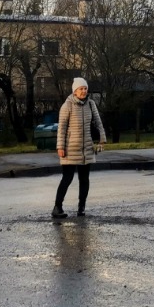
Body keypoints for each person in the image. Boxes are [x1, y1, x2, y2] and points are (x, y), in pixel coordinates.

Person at [53, 77, 107, 219]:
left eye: (85, 88)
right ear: (75, 91)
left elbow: (98, 122)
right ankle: (57, 207)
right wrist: (60, 146)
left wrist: (102, 140)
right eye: (81, 89)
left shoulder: (91, 104)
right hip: (70, 148)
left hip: (87, 148)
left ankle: (81, 208)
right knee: (67, 178)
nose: (83, 91)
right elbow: (62, 128)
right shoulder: (67, 106)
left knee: (84, 179)